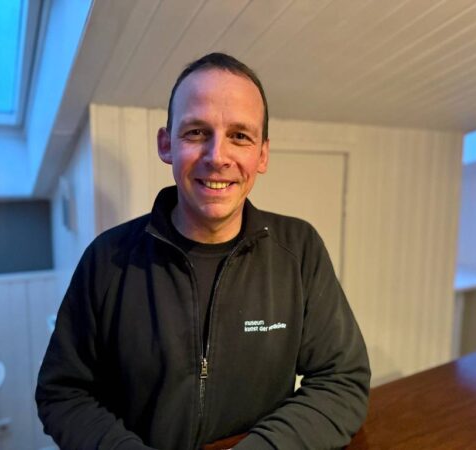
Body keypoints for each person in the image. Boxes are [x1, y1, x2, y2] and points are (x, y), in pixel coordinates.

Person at [36, 52, 370, 450]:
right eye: (196, 132)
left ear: (262, 154)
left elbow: (341, 380)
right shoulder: (106, 259)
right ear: (166, 144)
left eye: (240, 136)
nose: (217, 157)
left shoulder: (299, 250)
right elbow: (63, 393)